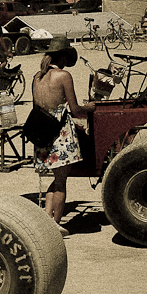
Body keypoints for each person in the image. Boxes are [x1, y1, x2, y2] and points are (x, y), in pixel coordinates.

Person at [32, 37, 95, 236]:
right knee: (61, 181)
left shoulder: (37, 76)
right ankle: (55, 225)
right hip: (60, 133)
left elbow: (37, 107)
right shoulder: (64, 76)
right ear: (64, 57)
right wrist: (90, 107)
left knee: (56, 177)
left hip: (42, 131)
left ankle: (47, 219)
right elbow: (76, 109)